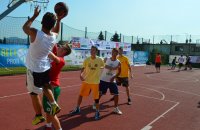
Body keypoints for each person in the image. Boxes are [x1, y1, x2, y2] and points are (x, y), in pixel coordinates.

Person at [23, 6, 64, 125]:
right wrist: (59, 20)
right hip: (45, 67)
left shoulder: (36, 33)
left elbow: (25, 28)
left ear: (42, 22)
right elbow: (57, 31)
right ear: (52, 25)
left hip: (33, 69)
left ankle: (39, 116)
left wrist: (34, 15)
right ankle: (54, 104)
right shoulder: (53, 37)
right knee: (46, 86)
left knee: (34, 93)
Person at [70, 46, 104, 120]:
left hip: (95, 82)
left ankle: (97, 111)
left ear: (96, 51)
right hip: (86, 81)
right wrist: (81, 75)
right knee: (80, 95)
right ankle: (77, 108)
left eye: (94, 50)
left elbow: (103, 66)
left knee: (96, 98)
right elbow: (83, 68)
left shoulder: (100, 59)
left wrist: (99, 72)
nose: (92, 51)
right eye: (91, 50)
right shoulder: (87, 59)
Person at [43, 43, 71, 130]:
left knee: (52, 113)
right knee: (48, 110)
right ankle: (48, 126)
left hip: (52, 88)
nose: (58, 47)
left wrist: (42, 46)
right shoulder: (56, 54)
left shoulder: (61, 60)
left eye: (61, 47)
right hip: (48, 88)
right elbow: (53, 44)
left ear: (64, 51)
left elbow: (52, 56)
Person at [99, 48, 122, 115]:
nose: (113, 53)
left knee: (116, 94)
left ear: (117, 53)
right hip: (103, 79)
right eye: (112, 52)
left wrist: (114, 77)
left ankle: (116, 108)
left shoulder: (118, 62)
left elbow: (119, 71)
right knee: (100, 93)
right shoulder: (106, 59)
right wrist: (113, 68)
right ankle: (96, 103)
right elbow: (104, 65)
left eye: (114, 52)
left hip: (112, 80)